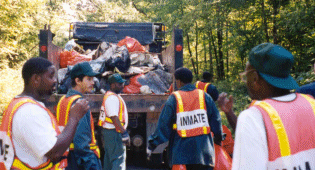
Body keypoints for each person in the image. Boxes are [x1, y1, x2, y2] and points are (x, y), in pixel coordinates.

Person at [219, 43, 315, 169]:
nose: (245, 81)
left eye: (245, 76)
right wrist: (229, 112)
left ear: (254, 78)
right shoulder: (310, 103)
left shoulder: (253, 116)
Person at [0, 57, 89, 170]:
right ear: (36, 79)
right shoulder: (29, 111)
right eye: (51, 76)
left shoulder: (18, 104)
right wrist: (74, 118)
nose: (55, 81)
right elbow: (54, 152)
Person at [147, 67, 223, 170]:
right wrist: (218, 137)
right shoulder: (204, 96)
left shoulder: (174, 98)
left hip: (183, 152)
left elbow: (164, 125)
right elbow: (216, 119)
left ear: (178, 81)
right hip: (203, 150)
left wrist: (152, 144)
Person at [56, 62, 102, 170]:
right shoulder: (80, 104)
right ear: (77, 81)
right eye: (89, 79)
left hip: (66, 159)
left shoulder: (63, 100)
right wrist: (93, 166)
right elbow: (81, 144)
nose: (93, 82)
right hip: (79, 161)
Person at [98, 73, 130, 170]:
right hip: (114, 133)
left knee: (109, 159)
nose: (122, 85)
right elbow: (114, 117)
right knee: (118, 159)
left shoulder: (111, 96)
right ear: (112, 85)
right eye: (119, 84)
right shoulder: (112, 98)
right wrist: (124, 133)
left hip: (110, 132)